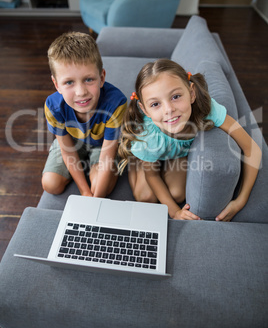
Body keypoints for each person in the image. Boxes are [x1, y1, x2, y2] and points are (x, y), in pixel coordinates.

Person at [118, 59, 261, 221]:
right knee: (145, 197)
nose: (169, 110)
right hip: (151, 151)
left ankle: (170, 155)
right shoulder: (148, 137)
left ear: (192, 93)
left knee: (177, 194)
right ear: (145, 110)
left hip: (175, 152)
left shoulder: (207, 111)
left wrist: (240, 200)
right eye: (156, 104)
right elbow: (152, 176)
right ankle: (135, 161)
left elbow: (252, 149)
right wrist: (174, 212)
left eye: (176, 96)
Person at [42, 31, 127, 198]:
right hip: (72, 143)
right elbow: (67, 150)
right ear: (56, 84)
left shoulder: (116, 104)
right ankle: (80, 170)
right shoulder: (53, 107)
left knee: (100, 188)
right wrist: (84, 191)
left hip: (103, 146)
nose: (81, 92)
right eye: (69, 82)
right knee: (50, 184)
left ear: (101, 77)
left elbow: (107, 157)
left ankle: (90, 168)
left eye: (89, 79)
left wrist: (94, 201)